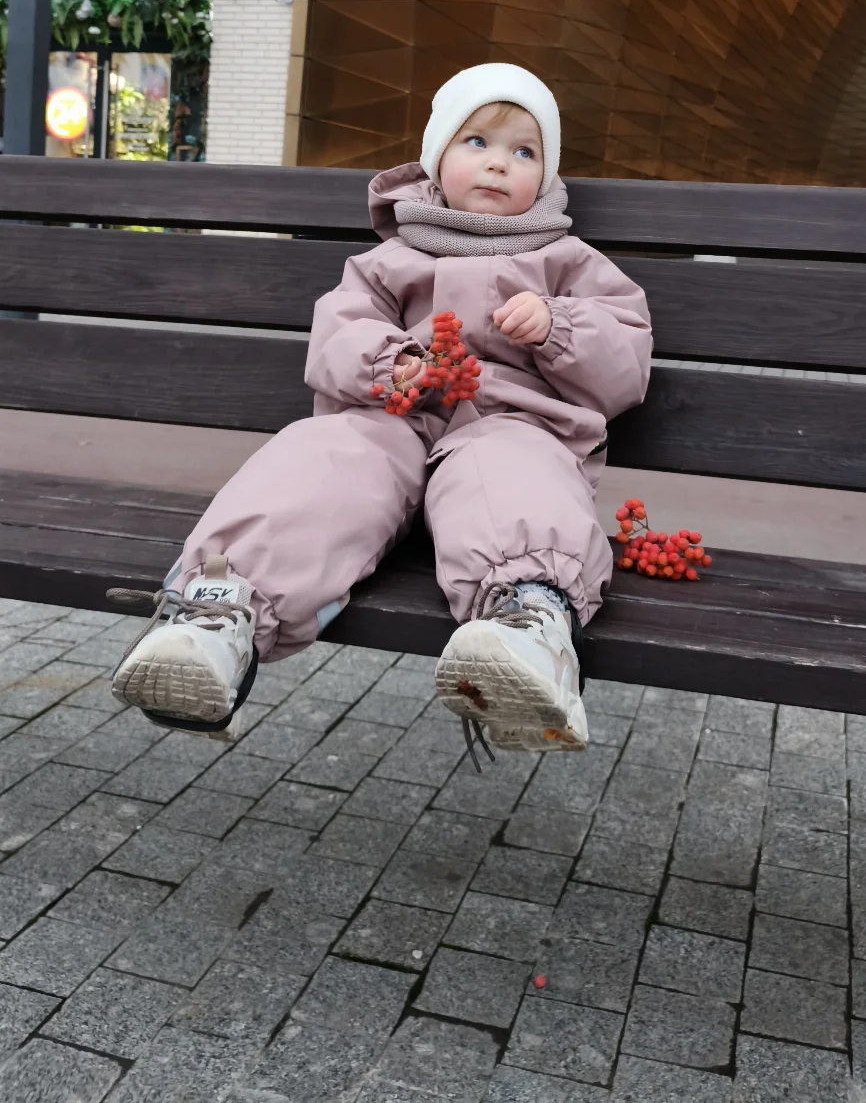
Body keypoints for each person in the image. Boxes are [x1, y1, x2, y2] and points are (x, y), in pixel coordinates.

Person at [109, 64, 652, 759]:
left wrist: (560, 326)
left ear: (545, 177)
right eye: (477, 141)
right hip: (395, 421)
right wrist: (387, 363)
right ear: (436, 156)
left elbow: (625, 361)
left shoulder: (567, 260)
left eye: (524, 151)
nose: (498, 163)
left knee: (514, 470)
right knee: (325, 458)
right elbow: (338, 332)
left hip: (512, 424)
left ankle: (529, 626)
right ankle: (217, 616)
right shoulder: (392, 258)